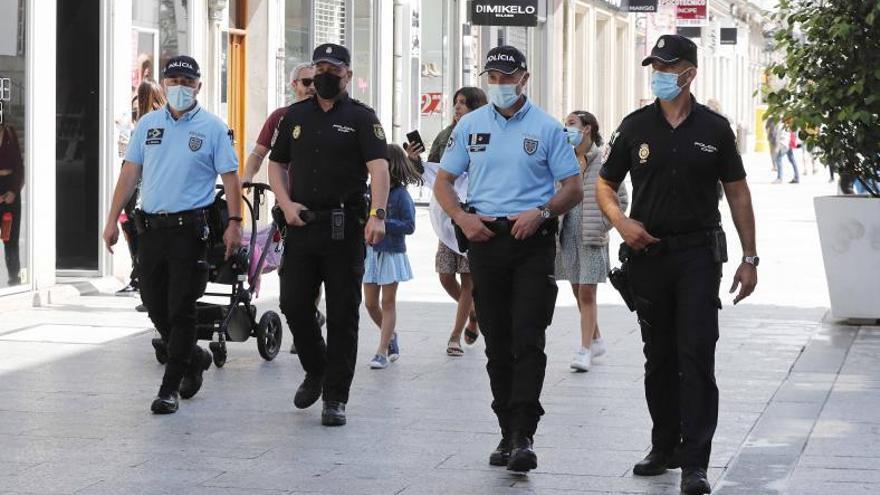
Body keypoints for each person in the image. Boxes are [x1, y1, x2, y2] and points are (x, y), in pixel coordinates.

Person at [596, 35, 758, 495]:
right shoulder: (633, 127)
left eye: (669, 67)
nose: (660, 74)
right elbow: (605, 186)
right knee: (659, 357)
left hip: (697, 256)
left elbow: (738, 192)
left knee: (696, 355)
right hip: (647, 255)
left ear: (689, 72)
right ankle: (663, 446)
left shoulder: (715, 129)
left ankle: (695, 461)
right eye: (655, 66)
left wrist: (749, 257)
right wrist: (621, 222)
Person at [434, 45, 583, 473]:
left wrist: (542, 213)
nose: (499, 84)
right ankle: (506, 429)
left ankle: (524, 433)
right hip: (485, 238)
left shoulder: (547, 128)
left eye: (507, 77)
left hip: (531, 240)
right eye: (492, 78)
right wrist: (462, 218)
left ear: (524, 78)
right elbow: (444, 181)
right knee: (498, 341)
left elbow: (571, 187)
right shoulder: (471, 125)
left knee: (528, 337)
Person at [102, 55, 243, 414]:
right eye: (173, 79)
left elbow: (230, 177)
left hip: (188, 230)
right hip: (150, 229)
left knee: (181, 308)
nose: (180, 87)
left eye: (187, 81)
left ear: (199, 86)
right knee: (153, 301)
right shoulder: (148, 124)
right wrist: (111, 218)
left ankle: (170, 388)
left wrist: (235, 222)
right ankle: (192, 356)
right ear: (163, 83)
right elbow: (130, 174)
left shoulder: (212, 128)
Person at [267, 43, 390, 427]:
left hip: (343, 228)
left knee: (342, 316)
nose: (324, 75)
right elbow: (276, 164)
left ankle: (335, 397)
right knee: (293, 304)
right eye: (319, 67)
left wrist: (377, 216)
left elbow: (380, 170)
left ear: (347, 75)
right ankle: (316, 368)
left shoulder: (361, 117)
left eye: (333, 69)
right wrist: (285, 204)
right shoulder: (295, 115)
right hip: (302, 224)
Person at [243, 62, 324, 354]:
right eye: (305, 82)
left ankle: (310, 320)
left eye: (316, 81)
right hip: (286, 207)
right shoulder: (280, 117)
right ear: (294, 86)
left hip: (319, 208)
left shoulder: (329, 115)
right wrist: (246, 178)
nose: (311, 87)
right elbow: (259, 153)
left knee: (314, 271)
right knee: (288, 270)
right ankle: (306, 317)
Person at [410, 86, 488, 356]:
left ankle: (455, 335)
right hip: (447, 214)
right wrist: (414, 161)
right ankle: (475, 312)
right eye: (456, 103)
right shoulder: (446, 136)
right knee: (445, 276)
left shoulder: (487, 133)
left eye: (464, 103)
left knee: (468, 280)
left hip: (474, 214)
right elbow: (433, 172)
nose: (457, 108)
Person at [556, 111, 628, 372]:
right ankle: (596, 339)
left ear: (587, 129)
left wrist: (604, 224)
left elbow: (621, 197)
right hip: (568, 234)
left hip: (592, 236)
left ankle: (584, 349)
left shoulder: (603, 160)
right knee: (577, 290)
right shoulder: (563, 158)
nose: (567, 129)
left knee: (587, 292)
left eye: (571, 124)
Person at [363, 144, 420, 369]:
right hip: (369, 252)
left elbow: (409, 225)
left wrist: (383, 223)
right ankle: (391, 336)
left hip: (391, 253)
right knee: (369, 303)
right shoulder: (367, 191)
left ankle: (381, 351)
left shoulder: (401, 195)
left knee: (387, 302)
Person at [117, 79, 167, 298]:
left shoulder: (149, 120)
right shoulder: (162, 117)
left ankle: (140, 277)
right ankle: (140, 276)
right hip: (147, 186)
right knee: (137, 231)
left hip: (140, 187)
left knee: (136, 231)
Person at [0, 123, 23, 287]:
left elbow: (19, 166)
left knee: (10, 237)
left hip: (9, 188)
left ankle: (14, 278)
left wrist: (14, 192)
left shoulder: (9, 133)